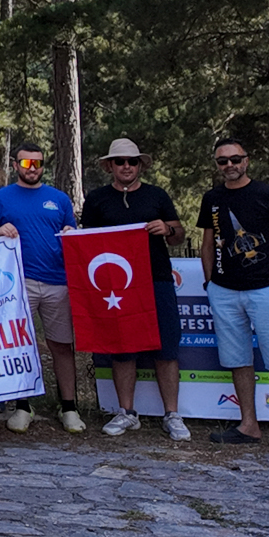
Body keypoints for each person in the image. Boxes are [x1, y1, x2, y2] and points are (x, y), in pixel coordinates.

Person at [199, 139, 269, 457]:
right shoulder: (213, 198)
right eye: (222, 161)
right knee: (237, 360)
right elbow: (208, 243)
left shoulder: (268, 195)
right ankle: (249, 425)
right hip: (225, 291)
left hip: (264, 290)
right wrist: (210, 283)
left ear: (247, 161)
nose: (229, 165)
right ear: (217, 166)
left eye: (235, 159)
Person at [81, 138, 190, 442]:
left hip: (156, 278)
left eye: (132, 161)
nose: (126, 166)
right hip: (117, 286)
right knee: (122, 347)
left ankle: (172, 413)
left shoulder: (157, 195)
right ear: (109, 166)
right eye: (120, 162)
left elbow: (179, 235)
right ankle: (126, 411)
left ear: (141, 164)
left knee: (166, 346)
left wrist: (167, 229)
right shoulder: (97, 199)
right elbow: (86, 241)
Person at [0, 147, 84, 434]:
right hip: (17, 281)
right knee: (20, 344)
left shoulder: (59, 199)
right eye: (26, 162)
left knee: (61, 345)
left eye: (37, 162)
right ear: (16, 165)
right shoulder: (0, 198)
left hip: (57, 281)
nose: (32, 167)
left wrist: (72, 235)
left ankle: (69, 406)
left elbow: (71, 234)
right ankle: (22, 404)